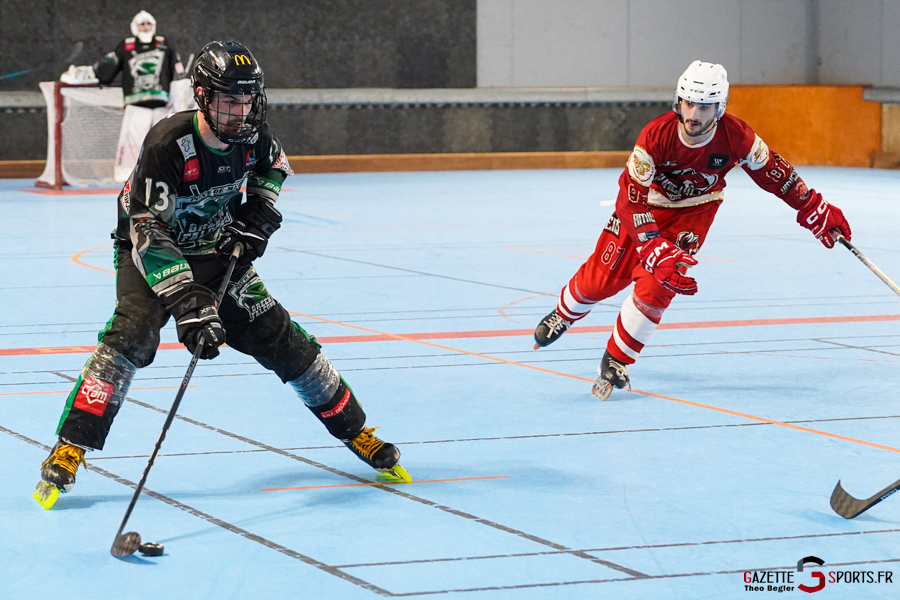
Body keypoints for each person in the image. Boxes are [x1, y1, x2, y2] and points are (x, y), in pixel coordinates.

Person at [34, 40, 409, 510]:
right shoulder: (167, 146)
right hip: (148, 252)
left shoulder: (256, 136)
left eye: (247, 98)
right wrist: (190, 305)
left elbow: (274, 167)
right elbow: (147, 229)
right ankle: (72, 445)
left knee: (282, 338)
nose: (240, 110)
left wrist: (260, 213)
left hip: (216, 253)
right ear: (203, 97)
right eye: (229, 99)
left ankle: (357, 432)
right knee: (131, 335)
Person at [533, 60, 852, 400]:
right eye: (688, 103)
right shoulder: (654, 136)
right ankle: (564, 314)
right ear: (678, 101)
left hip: (693, 214)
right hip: (645, 207)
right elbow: (629, 200)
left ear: (720, 107)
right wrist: (651, 243)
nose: (693, 114)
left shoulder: (738, 137)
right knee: (602, 278)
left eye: (704, 106)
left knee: (663, 280)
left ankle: (617, 359)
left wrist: (811, 205)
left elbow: (774, 172)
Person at [92, 10, 184, 182]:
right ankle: (128, 174)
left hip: (162, 104)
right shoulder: (126, 46)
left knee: (165, 141)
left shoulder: (164, 44)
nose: (145, 27)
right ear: (135, 26)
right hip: (136, 106)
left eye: (148, 24)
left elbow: (177, 73)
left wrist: (178, 97)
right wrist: (95, 74)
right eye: (142, 24)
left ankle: (167, 172)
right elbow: (108, 68)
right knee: (133, 144)